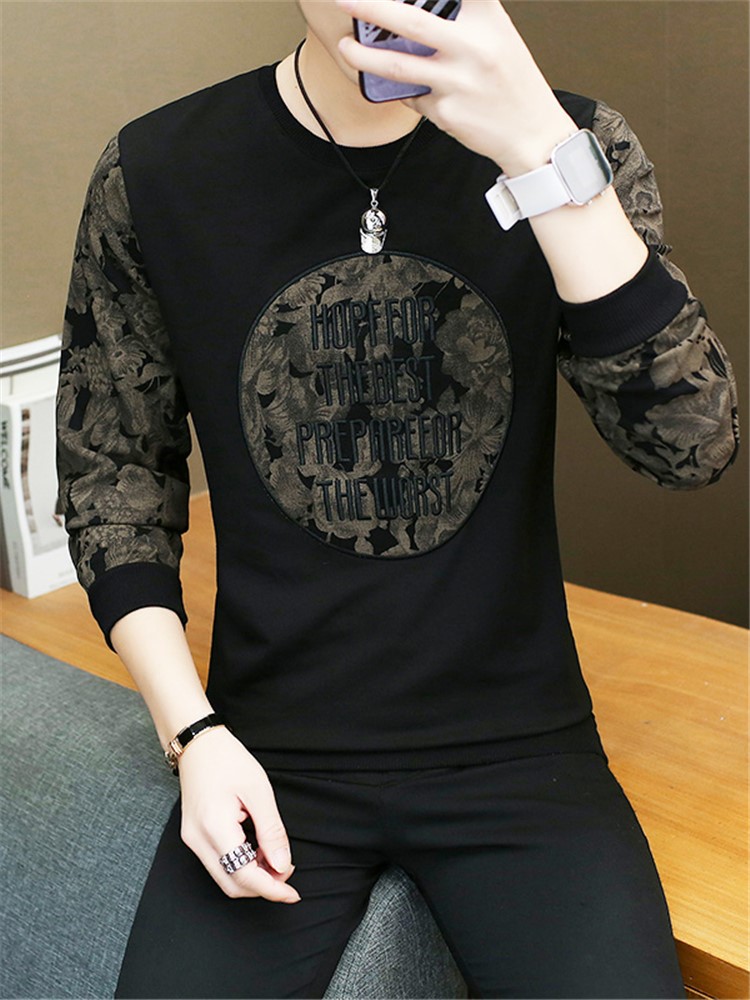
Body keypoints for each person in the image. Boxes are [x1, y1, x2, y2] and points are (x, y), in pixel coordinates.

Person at [55, 1, 739, 997]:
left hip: (521, 751)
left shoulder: (573, 143)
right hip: (269, 744)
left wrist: (542, 155)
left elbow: (692, 444)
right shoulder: (156, 171)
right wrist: (191, 733)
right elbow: (111, 475)